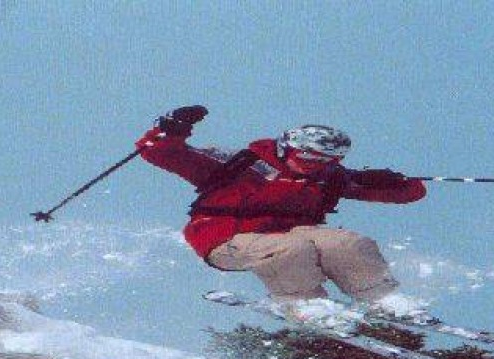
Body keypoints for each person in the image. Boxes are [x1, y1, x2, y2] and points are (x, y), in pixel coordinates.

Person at [136, 105, 426, 317]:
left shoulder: (327, 178)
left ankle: (382, 300)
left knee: (348, 243)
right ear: (287, 149)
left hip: (290, 234)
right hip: (227, 236)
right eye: (308, 157)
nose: (314, 165)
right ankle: (304, 304)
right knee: (292, 249)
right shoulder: (240, 164)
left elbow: (409, 195)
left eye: (327, 160)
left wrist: (393, 180)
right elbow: (159, 152)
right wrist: (170, 129)